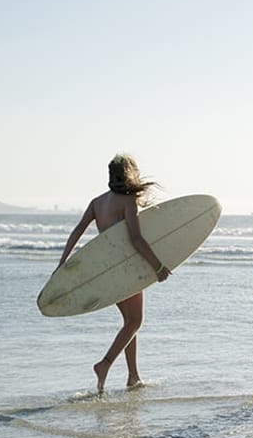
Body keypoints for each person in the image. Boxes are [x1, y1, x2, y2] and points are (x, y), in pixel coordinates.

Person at [56, 154, 171, 394]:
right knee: (135, 322)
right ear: (130, 173)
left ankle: (133, 376)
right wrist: (157, 266)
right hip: (127, 268)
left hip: (106, 271)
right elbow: (136, 239)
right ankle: (104, 364)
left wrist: (62, 262)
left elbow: (78, 230)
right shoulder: (127, 201)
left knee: (129, 323)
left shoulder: (97, 202)